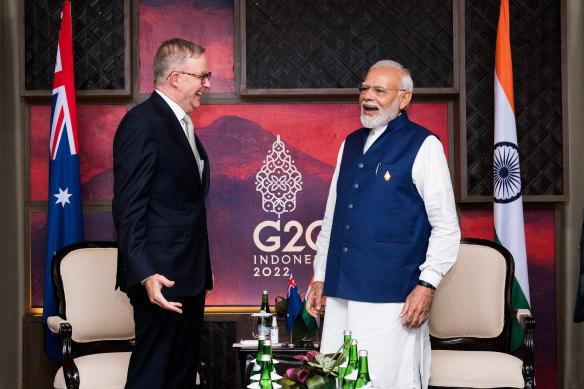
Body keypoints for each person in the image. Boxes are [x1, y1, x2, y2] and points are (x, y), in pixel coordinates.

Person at [305, 60, 460, 389]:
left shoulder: (424, 145)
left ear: (404, 99)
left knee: (381, 380)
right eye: (364, 88)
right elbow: (333, 217)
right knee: (335, 380)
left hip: (391, 296)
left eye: (379, 90)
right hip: (339, 291)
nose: (367, 96)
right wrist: (320, 276)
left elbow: (446, 226)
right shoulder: (349, 143)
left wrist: (427, 285)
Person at [112, 38, 213, 389]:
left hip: (188, 275)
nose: (208, 84)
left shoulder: (182, 124)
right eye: (203, 75)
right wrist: (145, 273)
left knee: (179, 376)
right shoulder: (143, 122)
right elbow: (128, 207)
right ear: (176, 77)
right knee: (153, 376)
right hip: (159, 279)